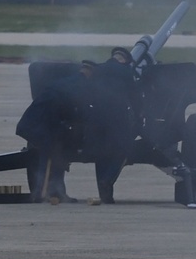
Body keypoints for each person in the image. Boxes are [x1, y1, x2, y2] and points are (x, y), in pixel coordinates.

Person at [15, 61, 90, 204]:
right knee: (48, 158)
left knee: (57, 155)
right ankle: (41, 194)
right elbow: (64, 113)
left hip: (42, 126)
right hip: (38, 128)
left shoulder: (64, 86)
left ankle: (58, 191)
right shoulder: (70, 89)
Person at [90, 47, 140, 204]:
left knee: (101, 153)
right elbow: (134, 96)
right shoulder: (126, 72)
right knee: (123, 149)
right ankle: (108, 180)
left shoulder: (98, 69)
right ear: (124, 60)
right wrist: (139, 115)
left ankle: (105, 194)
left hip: (96, 115)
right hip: (117, 115)